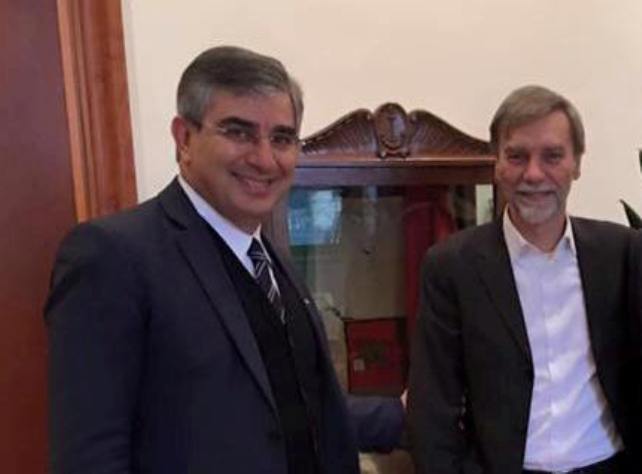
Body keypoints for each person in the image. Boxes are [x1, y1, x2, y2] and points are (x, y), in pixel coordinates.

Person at [45, 45, 403, 474]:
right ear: (184, 138)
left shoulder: (269, 258)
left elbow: (292, 404)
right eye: (239, 133)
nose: (264, 159)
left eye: (282, 139)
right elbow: (90, 457)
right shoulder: (112, 256)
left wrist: (404, 413)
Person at [408, 85, 640, 473]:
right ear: (497, 163)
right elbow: (432, 408)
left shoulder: (622, 253)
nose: (533, 174)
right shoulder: (451, 267)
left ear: (577, 163)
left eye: (552, 156)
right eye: (517, 156)